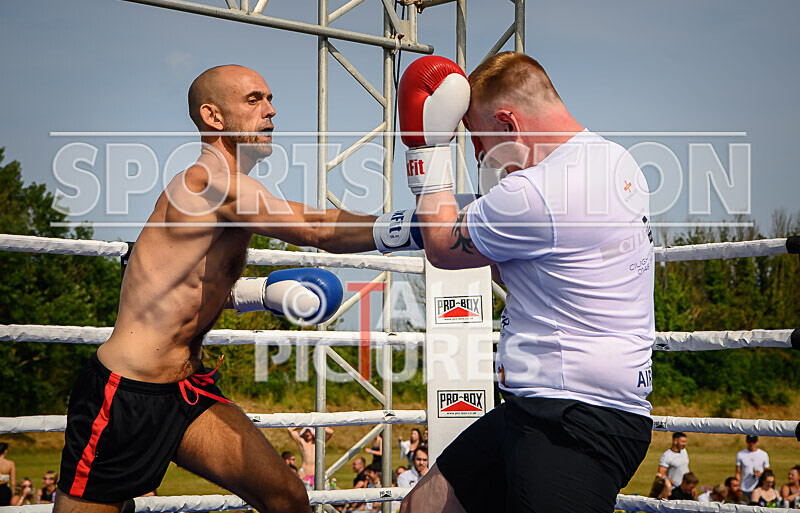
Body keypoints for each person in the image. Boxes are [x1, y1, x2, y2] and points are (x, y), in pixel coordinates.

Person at [54, 64, 388, 513]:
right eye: (254, 100)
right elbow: (316, 229)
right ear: (213, 117)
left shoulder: (233, 192)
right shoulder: (207, 183)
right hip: (126, 396)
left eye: (269, 99)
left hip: (187, 391)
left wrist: (259, 295)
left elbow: (181, 284)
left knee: (287, 497)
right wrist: (416, 224)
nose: (270, 111)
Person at [398, 52, 655, 513]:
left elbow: (441, 244)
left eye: (479, 140)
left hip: (572, 420)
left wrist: (427, 148)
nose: (480, 156)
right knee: (426, 505)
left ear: (507, 123)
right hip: (550, 405)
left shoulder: (537, 192)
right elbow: (527, 264)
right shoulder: (616, 160)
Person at [736, 435, 771, 502]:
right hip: (744, 488)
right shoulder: (740, 454)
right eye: (750, 441)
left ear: (757, 442)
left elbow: (768, 473)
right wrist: (738, 486)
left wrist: (761, 474)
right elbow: (738, 472)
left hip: (759, 488)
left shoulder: (763, 454)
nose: (751, 444)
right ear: (746, 441)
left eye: (754, 441)